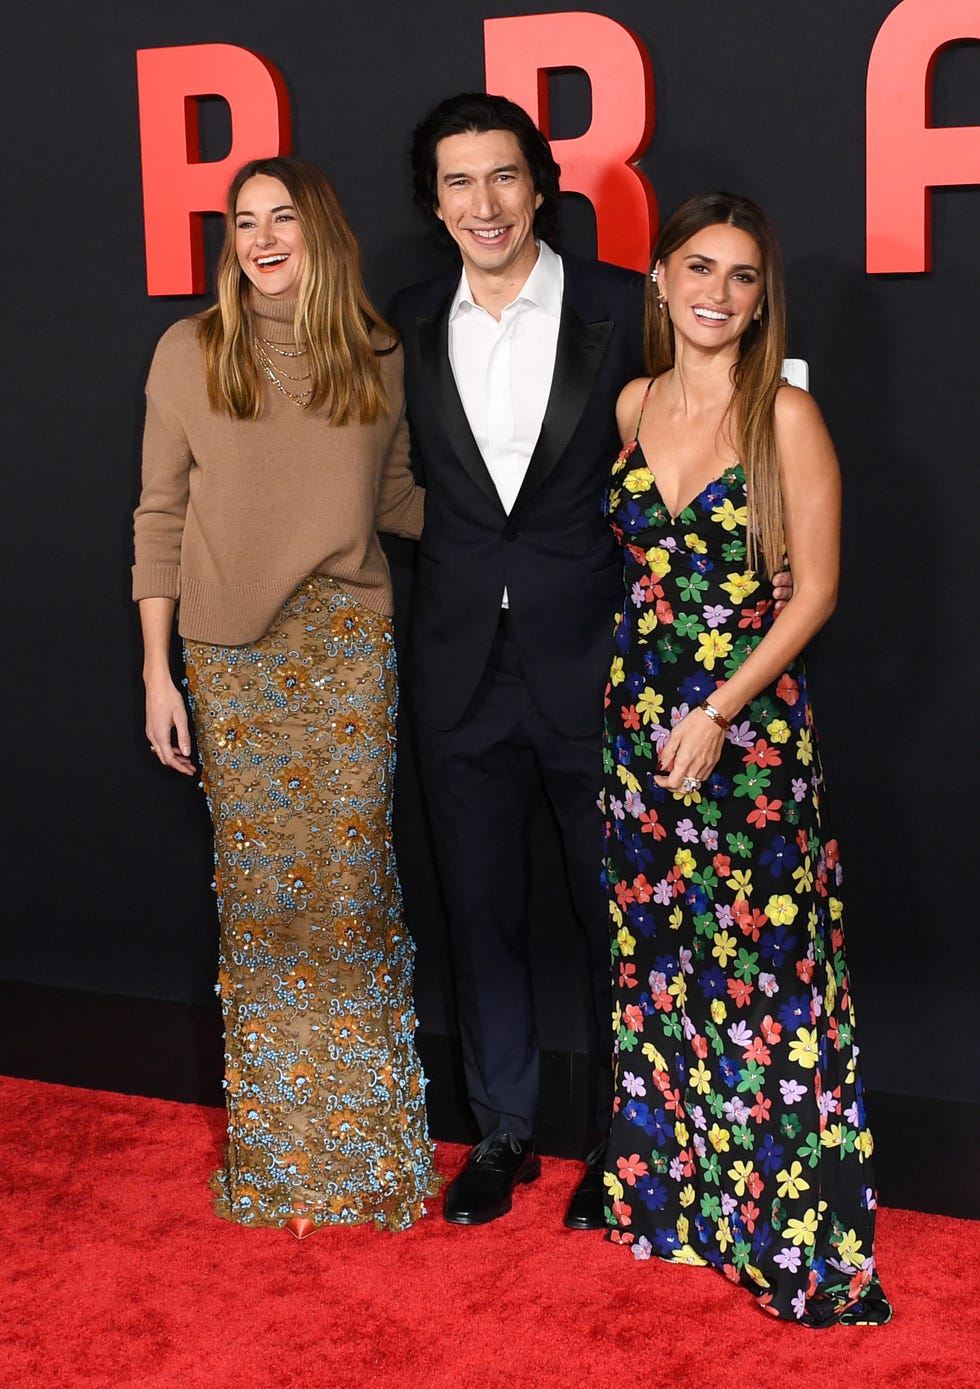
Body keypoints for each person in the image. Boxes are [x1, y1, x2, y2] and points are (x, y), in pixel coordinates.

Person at [132, 155, 438, 1238]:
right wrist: (157, 671)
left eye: (281, 219)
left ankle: (365, 1158)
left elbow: (399, 496)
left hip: (348, 650)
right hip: (231, 662)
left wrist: (556, 522)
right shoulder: (191, 350)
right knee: (263, 910)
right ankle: (279, 1163)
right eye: (242, 221)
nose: (260, 238)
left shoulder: (378, 353)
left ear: (320, 234)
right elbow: (159, 515)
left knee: (347, 895)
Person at [601, 192, 891, 1325]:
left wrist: (716, 709)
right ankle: (678, 1208)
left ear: (761, 299)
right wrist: (650, 712)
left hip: (746, 733)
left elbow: (813, 589)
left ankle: (783, 1229)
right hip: (636, 728)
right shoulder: (629, 402)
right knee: (663, 968)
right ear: (660, 279)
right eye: (698, 269)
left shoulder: (785, 416)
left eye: (741, 277)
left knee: (766, 980)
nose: (717, 295)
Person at [388, 92, 648, 1228]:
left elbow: (706, 437)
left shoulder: (618, 307)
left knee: (613, 916)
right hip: (456, 668)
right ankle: (499, 1133)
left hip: (593, 660)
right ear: (433, 202)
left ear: (540, 188)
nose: (482, 203)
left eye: (502, 177)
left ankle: (618, 1145)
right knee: (478, 911)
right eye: (457, 182)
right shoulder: (400, 320)